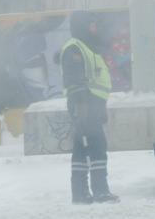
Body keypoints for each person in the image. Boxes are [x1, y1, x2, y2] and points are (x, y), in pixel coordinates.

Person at [60, 11, 119, 204]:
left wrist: (97, 107)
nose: (95, 28)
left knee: (82, 149)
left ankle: (80, 193)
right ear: (83, 26)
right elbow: (74, 81)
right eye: (91, 24)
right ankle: (99, 191)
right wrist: (82, 108)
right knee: (96, 147)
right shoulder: (74, 48)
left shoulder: (87, 47)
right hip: (84, 105)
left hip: (92, 105)